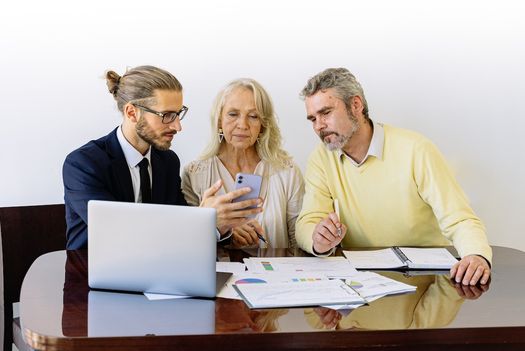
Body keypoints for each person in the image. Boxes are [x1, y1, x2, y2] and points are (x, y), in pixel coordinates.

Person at [295, 68, 492, 285]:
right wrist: (318, 239)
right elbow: (307, 222)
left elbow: (459, 218)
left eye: (326, 113)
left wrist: (476, 254)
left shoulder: (416, 149)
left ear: (356, 105)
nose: (318, 126)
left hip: (425, 281)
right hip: (361, 285)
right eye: (312, 119)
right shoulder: (321, 158)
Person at [63, 66, 262, 250]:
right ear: (132, 113)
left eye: (178, 114)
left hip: (158, 276)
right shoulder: (83, 164)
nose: (177, 126)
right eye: (166, 115)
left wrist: (220, 226)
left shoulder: (167, 162)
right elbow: (120, 234)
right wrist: (203, 219)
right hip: (91, 277)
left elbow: (179, 230)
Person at [182, 79, 304, 248]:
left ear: (262, 125)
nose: (242, 125)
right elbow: (188, 243)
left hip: (276, 272)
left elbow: (299, 240)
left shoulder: (287, 171)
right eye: (233, 114)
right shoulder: (195, 173)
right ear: (219, 120)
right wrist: (221, 229)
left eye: (253, 116)